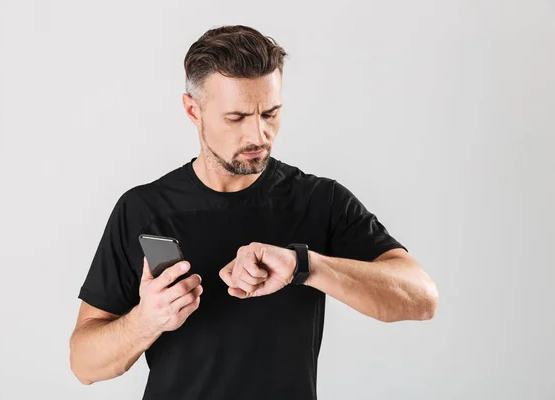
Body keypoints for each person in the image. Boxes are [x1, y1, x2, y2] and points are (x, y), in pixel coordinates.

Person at [69, 24, 439, 400]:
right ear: (192, 110)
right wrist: (146, 321)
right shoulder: (143, 210)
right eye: (237, 118)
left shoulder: (319, 200)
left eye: (271, 113)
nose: (258, 135)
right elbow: (83, 365)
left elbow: (422, 298)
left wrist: (305, 265)